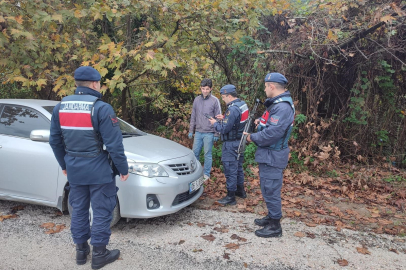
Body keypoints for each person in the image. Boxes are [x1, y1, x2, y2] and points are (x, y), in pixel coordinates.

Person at [49, 66, 129, 269]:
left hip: (75, 169)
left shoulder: (60, 107)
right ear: (95, 84)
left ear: (77, 84)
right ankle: (100, 255)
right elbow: (114, 145)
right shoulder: (101, 108)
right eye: (99, 83)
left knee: (79, 210)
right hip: (100, 170)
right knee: (102, 210)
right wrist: (123, 169)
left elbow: (55, 141)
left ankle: (81, 252)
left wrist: (64, 164)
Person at [245, 73, 295, 238]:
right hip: (269, 154)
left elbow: (273, 134)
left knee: (271, 189)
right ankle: (271, 216)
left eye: (266, 86)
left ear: (272, 86)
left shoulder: (282, 107)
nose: (265, 89)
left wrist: (252, 137)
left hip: (273, 155)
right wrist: (261, 121)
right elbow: (270, 123)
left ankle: (275, 225)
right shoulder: (277, 105)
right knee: (267, 188)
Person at [208, 84, 249, 205]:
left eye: (224, 97)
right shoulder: (242, 104)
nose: (223, 99)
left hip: (231, 143)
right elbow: (236, 121)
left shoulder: (232, 109)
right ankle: (240, 191)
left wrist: (215, 123)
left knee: (230, 169)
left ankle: (231, 197)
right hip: (240, 141)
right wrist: (225, 117)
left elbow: (224, 128)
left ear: (229, 96)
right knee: (238, 168)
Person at [189, 78, 222, 180]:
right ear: (201, 88)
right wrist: (191, 130)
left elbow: (218, 117)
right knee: (195, 153)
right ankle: (196, 173)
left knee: (207, 154)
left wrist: (217, 133)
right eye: (203, 89)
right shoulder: (197, 100)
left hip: (209, 132)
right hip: (198, 132)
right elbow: (193, 116)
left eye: (207, 89)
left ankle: (206, 174)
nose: (205, 91)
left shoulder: (215, 100)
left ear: (211, 89)